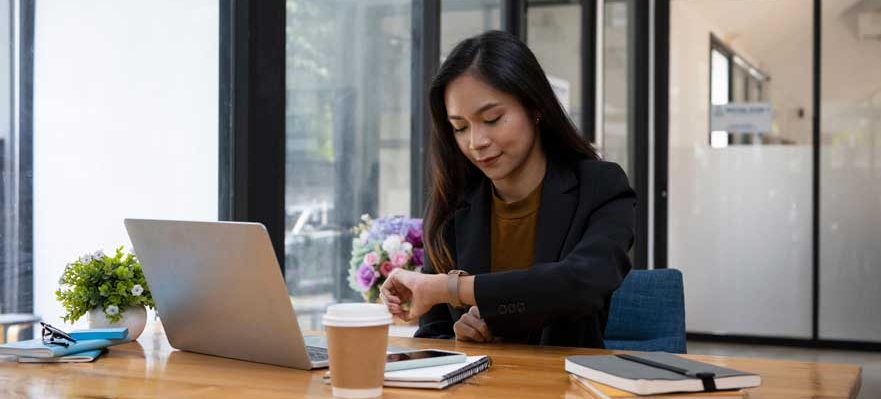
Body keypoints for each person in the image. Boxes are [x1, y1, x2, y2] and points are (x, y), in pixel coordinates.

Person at [380, 30, 636, 348]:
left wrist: (449, 288)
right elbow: (435, 335)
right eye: (460, 127)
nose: (476, 142)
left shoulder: (600, 185)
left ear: (535, 107)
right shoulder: (454, 203)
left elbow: (582, 284)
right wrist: (460, 337)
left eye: (492, 119)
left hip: (567, 377)